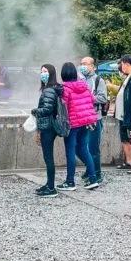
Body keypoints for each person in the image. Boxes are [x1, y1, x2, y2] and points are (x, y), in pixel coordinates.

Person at [58, 62, 99, 191]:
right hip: (85, 122)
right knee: (84, 149)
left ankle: (70, 182)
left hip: (72, 124)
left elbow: (63, 107)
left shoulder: (65, 89)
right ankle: (93, 178)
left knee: (70, 152)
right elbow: (91, 100)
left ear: (63, 74)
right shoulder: (84, 86)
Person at [30, 64, 62, 198]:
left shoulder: (49, 90)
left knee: (48, 158)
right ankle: (49, 184)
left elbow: (47, 109)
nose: (42, 73)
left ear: (51, 73)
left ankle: (51, 188)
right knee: (47, 157)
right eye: (41, 71)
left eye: (45, 71)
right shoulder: (51, 89)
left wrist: (35, 111)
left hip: (48, 127)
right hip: (49, 126)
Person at [80, 56, 108, 183]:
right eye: (81, 64)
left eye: (85, 64)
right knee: (83, 147)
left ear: (93, 66)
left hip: (94, 118)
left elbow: (102, 98)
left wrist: (88, 98)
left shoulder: (98, 80)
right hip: (83, 118)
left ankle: (97, 173)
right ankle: (89, 169)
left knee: (93, 148)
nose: (83, 66)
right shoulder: (81, 80)